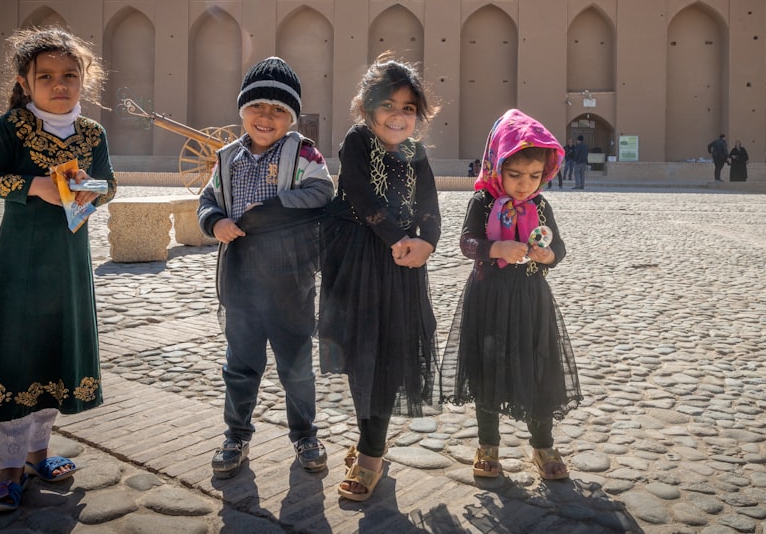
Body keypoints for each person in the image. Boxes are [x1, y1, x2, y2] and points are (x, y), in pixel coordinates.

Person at [0, 28, 117, 512]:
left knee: (54, 353)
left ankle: (38, 456)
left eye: (70, 75)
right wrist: (33, 186)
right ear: (26, 83)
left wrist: (92, 189)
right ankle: (7, 470)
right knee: (16, 356)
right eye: (46, 76)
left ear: (85, 81)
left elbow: (110, 184)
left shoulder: (93, 134)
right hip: (20, 266)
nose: (59, 84)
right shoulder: (13, 125)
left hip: (69, 267)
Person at [197, 57, 334, 479]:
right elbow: (208, 200)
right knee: (240, 363)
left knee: (296, 362)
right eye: (257, 106)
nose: (266, 117)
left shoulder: (303, 153)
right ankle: (236, 435)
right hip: (240, 276)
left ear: (291, 118)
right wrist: (216, 222)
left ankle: (305, 434)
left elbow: (322, 191)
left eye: (278, 110)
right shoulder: (227, 158)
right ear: (242, 110)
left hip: (289, 274)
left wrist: (271, 209)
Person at [319, 53, 441, 502]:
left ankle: (371, 451)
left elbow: (430, 206)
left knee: (389, 356)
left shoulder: (416, 153)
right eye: (388, 105)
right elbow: (362, 195)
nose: (398, 115)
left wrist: (427, 242)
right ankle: (372, 444)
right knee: (361, 355)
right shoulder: (356, 142)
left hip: (403, 264)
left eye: (408, 108)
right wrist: (398, 238)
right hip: (357, 261)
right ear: (368, 108)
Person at [441, 108, 582, 482]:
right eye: (515, 175)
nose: (524, 185)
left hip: (530, 299)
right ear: (496, 166)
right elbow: (467, 242)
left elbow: (560, 249)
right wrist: (496, 248)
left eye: (535, 176)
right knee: (488, 370)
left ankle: (543, 444)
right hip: (489, 297)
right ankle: (488, 445)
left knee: (538, 370)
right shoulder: (484, 202)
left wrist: (548, 255)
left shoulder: (541, 205)